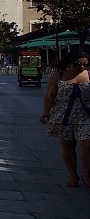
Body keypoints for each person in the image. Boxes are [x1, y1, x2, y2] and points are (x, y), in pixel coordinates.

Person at [41, 51, 90, 187]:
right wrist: (46, 112)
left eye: (86, 64)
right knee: (68, 146)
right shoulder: (58, 76)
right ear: (69, 63)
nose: (82, 67)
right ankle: (73, 174)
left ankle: (86, 174)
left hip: (85, 116)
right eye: (78, 64)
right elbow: (50, 95)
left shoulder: (89, 75)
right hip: (63, 116)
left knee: (87, 144)